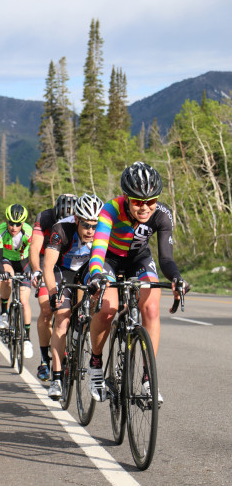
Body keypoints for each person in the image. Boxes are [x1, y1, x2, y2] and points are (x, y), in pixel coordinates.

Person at [88, 161, 189, 404]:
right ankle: (96, 363)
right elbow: (98, 249)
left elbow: (166, 258)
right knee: (107, 309)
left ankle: (147, 377)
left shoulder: (162, 215)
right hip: (110, 261)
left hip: (139, 260)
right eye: (137, 201)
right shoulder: (110, 210)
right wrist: (95, 274)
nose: (145, 207)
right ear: (126, 198)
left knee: (152, 308)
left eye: (151, 201)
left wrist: (176, 278)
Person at [43, 193, 104, 399]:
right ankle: (57, 378)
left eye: (95, 226)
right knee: (62, 317)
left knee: (98, 305)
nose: (91, 231)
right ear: (76, 219)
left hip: (88, 269)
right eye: (86, 225)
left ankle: (82, 332)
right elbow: (48, 266)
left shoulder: (103, 231)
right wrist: (53, 294)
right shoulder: (61, 230)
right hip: (64, 270)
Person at [29, 194, 78, 381]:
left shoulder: (81, 222)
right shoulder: (45, 217)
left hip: (72, 261)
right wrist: (36, 270)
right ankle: (44, 360)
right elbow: (34, 247)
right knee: (46, 307)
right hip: (47, 260)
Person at [0, 204, 34, 359]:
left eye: (18, 224)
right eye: (11, 223)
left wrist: (33, 272)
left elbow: (34, 254)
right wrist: (3, 273)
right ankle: (4, 313)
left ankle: (27, 339)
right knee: (7, 279)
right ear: (6, 221)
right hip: (7, 260)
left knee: (24, 301)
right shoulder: (0, 231)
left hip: (24, 261)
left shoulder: (29, 232)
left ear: (23, 223)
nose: (14, 227)